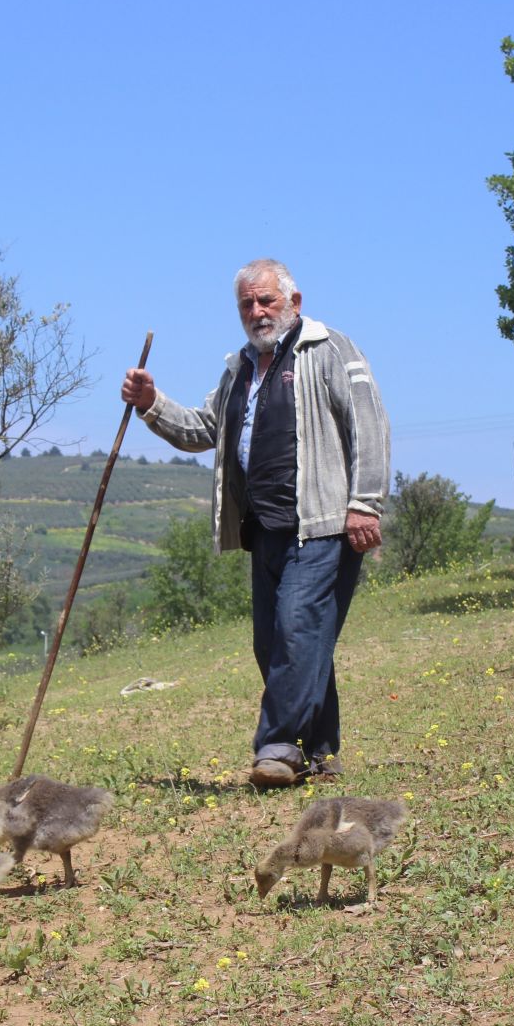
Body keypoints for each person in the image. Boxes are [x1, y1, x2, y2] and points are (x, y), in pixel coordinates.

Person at [120, 259, 390, 787]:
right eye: (247, 304)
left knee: (297, 630)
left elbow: (369, 422)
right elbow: (203, 430)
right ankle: (320, 753)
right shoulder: (240, 369)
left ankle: (277, 748)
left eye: (266, 300)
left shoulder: (330, 349)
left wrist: (366, 502)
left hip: (323, 523)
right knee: (276, 643)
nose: (257, 312)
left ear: (294, 301)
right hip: (263, 528)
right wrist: (152, 404)